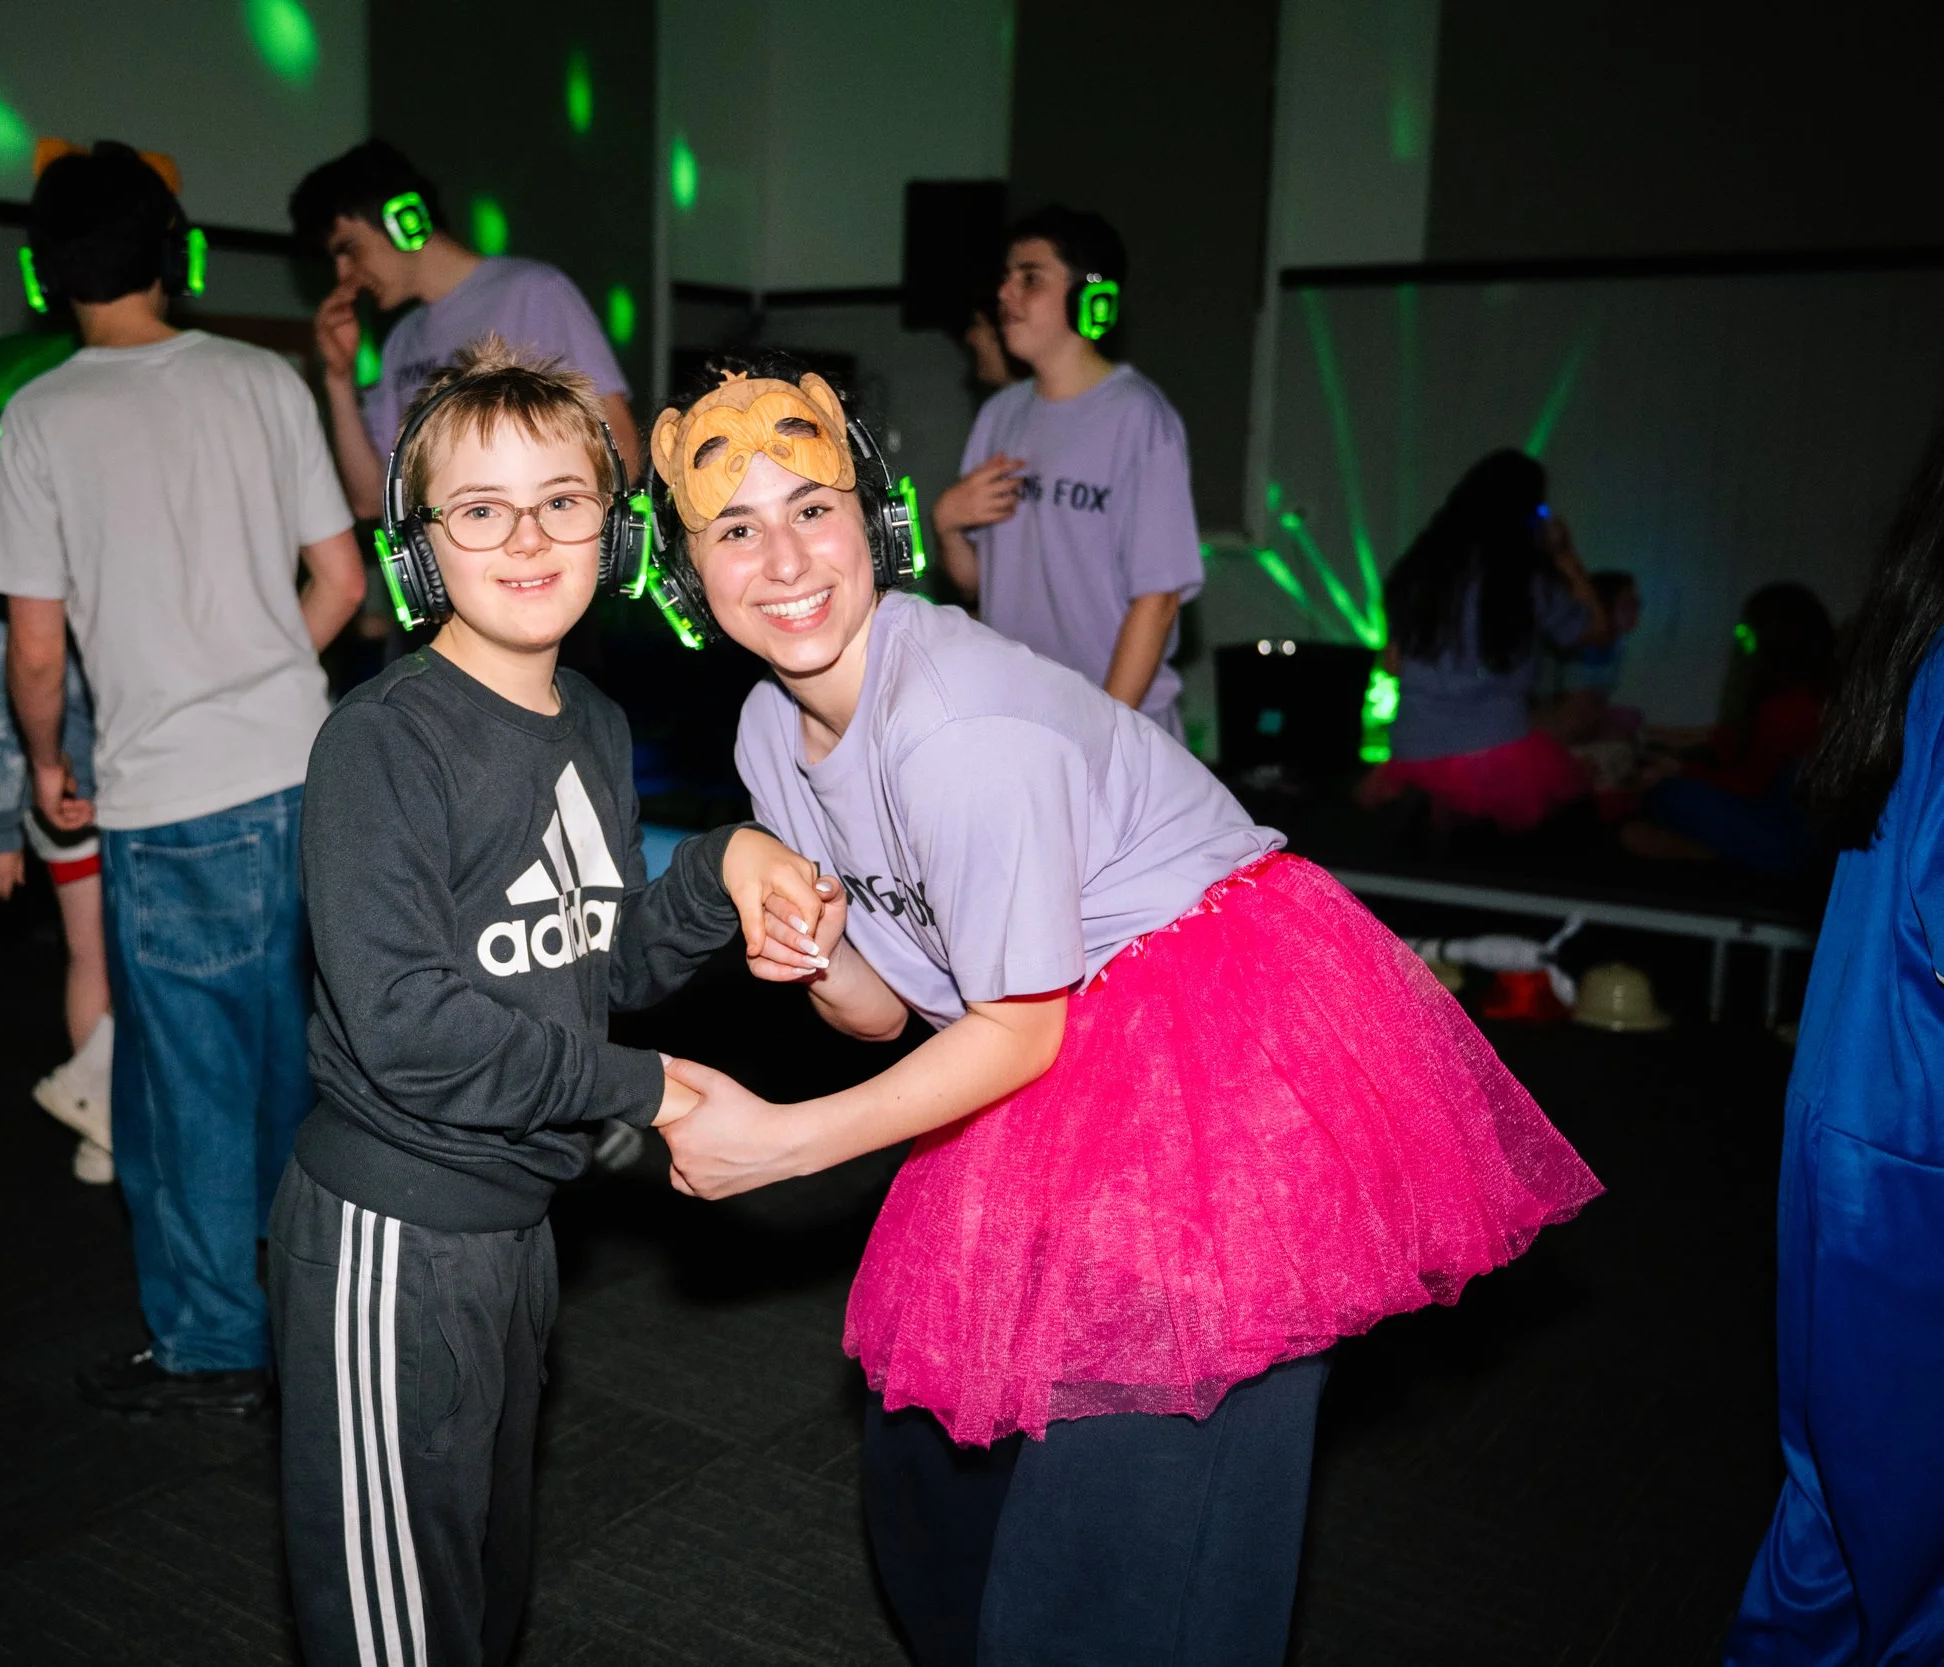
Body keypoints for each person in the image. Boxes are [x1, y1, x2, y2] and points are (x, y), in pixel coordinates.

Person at [641, 354, 1602, 1666]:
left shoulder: (958, 719)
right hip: (1050, 1047)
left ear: (874, 518)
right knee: (939, 1495)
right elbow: (885, 1011)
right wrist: (805, 942)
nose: (785, 557)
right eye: (734, 527)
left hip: (1218, 1039)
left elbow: (1013, 1028)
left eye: (812, 506)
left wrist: (781, 1143)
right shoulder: (770, 732)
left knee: (1136, 1510)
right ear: (689, 571)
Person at [273, 340, 825, 1667]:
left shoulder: (586, 720)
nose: (527, 536)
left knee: (480, 1572)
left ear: (616, 533)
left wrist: (717, 867)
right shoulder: (383, 741)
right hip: (393, 1236)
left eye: (564, 501)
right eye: (480, 509)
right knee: (396, 1617)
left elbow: (603, 966)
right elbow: (409, 1024)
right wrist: (651, 1090)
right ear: (419, 552)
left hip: (518, 1221)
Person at [0, 140, 367, 1417]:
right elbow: (345, 583)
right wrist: (257, 672)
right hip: (304, 776)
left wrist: (47, 764)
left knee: (185, 1093)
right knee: (308, 1066)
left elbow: (34, 647)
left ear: (45, 275)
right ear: (174, 252)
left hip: (166, 804)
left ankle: (215, 1340)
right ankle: (331, 1313)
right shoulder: (261, 381)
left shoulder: (40, 418)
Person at [1725, 426, 1944, 1665]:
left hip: (1860, 1135)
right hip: (1911, 1159)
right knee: (1894, 1558)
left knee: (1834, 1544)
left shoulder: (1914, 643)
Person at [0, 331, 116, 1185]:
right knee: (112, 949)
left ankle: (104, 1123)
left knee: (97, 950)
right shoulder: (40, 513)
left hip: (94, 773)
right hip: (83, 777)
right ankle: (106, 1112)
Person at [933, 208, 1201, 734]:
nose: (1005, 295)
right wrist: (947, 523)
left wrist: (1104, 732)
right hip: (1024, 725)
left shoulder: (1139, 418)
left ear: (1091, 299)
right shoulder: (1000, 415)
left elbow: (1159, 598)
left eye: (1029, 279)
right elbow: (976, 585)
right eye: (1005, 280)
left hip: (1120, 734)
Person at [288, 140, 640, 523]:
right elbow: (372, 502)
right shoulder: (401, 340)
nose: (343, 275)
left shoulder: (533, 292)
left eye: (349, 248)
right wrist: (338, 378)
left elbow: (622, 452)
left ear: (405, 219)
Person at [1360, 450, 1611, 833]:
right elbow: (1597, 631)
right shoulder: (1525, 578)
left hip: (1412, 750)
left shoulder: (1416, 571)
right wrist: (1565, 556)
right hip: (1496, 750)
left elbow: (1392, 664)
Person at [1624, 583, 1834, 875]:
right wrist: (1669, 743)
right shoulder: (1795, 696)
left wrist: (1678, 771)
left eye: (1746, 634)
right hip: (1772, 814)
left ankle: (1712, 850)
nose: (1739, 641)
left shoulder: (1793, 707)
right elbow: (1737, 743)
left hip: (1784, 834)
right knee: (1668, 794)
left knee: (1670, 796)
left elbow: (1750, 784)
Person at [1535, 568, 1641, 744]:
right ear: (1603, 606)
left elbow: (1599, 698)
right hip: (1557, 719)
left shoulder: (1617, 643)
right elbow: (1574, 704)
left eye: (1637, 604)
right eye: (1628, 604)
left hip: (1585, 717)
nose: (1636, 610)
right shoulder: (1575, 644)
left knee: (1633, 721)